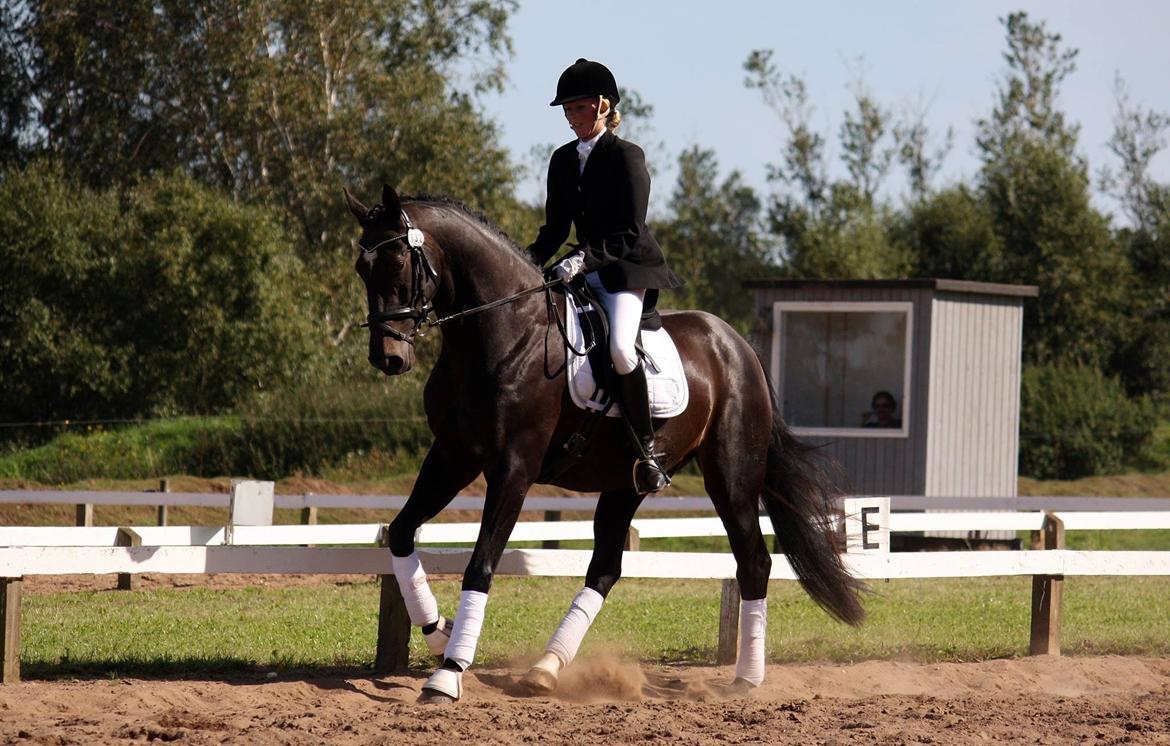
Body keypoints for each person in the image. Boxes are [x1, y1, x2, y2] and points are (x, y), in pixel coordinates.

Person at [527, 58, 683, 494]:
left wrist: (580, 260)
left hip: (628, 269)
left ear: (601, 106)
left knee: (619, 347)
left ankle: (647, 451)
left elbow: (630, 230)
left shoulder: (626, 156)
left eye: (577, 109)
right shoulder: (562, 159)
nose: (571, 118)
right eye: (567, 111)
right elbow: (555, 229)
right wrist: (525, 262)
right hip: (584, 267)